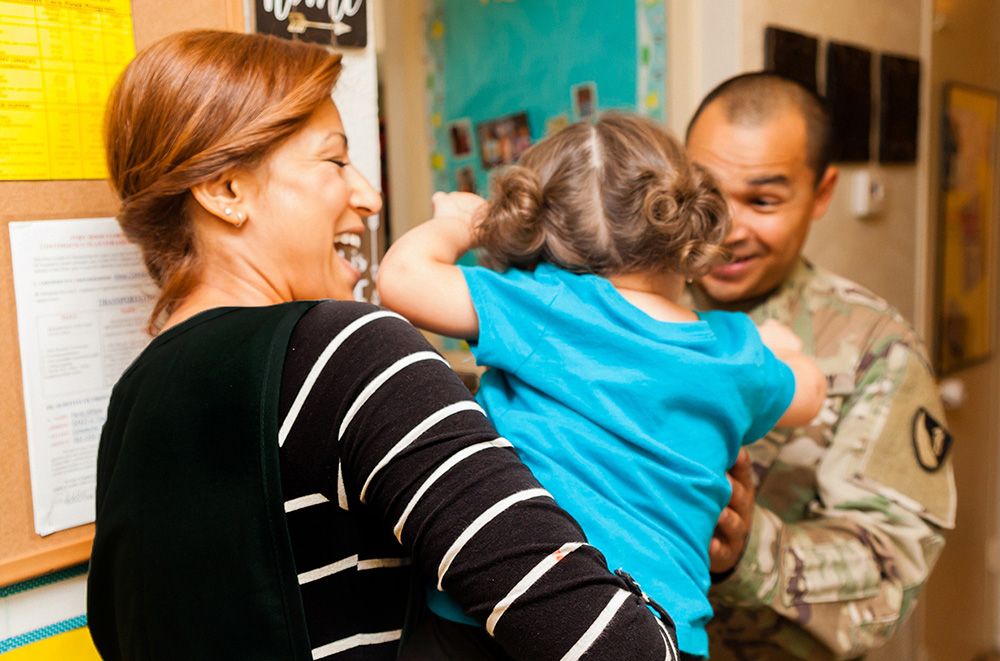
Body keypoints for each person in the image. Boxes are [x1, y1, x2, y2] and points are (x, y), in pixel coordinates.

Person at [86, 30, 681, 661]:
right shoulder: (348, 351)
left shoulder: (134, 398)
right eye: (336, 162)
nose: (370, 197)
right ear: (225, 191)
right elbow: (616, 649)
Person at [377, 113, 827, 660]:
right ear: (688, 231)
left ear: (538, 229)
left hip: (500, 613)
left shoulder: (543, 305)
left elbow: (402, 279)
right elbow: (810, 394)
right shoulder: (734, 351)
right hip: (659, 629)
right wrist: (777, 346)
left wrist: (462, 223)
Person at [684, 72, 957, 660]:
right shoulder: (621, 299)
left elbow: (888, 564)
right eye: (706, 193)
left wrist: (745, 550)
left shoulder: (875, 349)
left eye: (762, 201)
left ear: (821, 192)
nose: (726, 229)